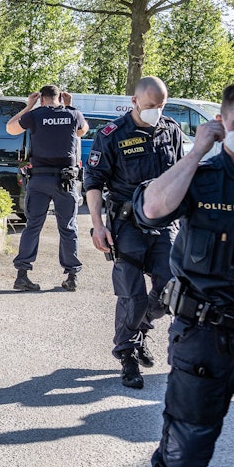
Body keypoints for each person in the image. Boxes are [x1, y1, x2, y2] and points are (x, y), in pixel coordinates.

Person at [134, 82, 234, 467]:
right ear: (221, 124)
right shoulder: (201, 175)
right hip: (204, 335)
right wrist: (196, 152)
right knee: (187, 437)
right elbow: (151, 210)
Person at [84, 76, 185, 390]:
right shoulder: (112, 134)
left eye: (161, 105)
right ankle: (127, 353)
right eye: (151, 105)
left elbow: (181, 176)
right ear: (135, 101)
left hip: (164, 223)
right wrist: (98, 226)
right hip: (126, 223)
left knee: (171, 289)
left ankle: (138, 330)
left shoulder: (171, 130)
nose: (157, 110)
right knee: (132, 295)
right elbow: (93, 183)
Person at [5, 85, 88, 291]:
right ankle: (72, 277)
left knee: (33, 226)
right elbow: (82, 131)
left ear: (41, 98)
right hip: (65, 181)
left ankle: (22, 275)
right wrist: (69, 106)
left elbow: (10, 128)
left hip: (39, 180)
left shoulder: (35, 115)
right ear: (60, 97)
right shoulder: (73, 114)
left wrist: (28, 106)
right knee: (68, 227)